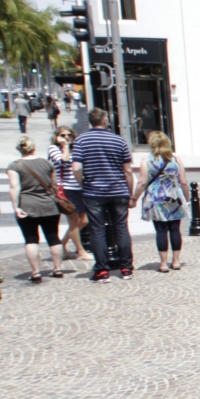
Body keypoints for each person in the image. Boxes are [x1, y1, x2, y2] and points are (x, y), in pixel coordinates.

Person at [72, 108, 135, 283]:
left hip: (94, 191)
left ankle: (102, 270)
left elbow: (76, 167)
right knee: (121, 227)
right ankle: (126, 267)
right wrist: (130, 192)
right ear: (105, 120)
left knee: (97, 230)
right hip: (118, 189)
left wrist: (82, 184)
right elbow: (128, 170)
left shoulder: (81, 140)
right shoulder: (118, 141)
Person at [7, 136, 65, 282]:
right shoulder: (46, 163)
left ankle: (36, 272)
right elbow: (54, 184)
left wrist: (15, 207)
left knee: (31, 239)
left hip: (27, 206)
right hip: (49, 205)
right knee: (53, 237)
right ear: (34, 148)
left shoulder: (15, 166)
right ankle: (57, 269)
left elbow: (15, 187)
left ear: (19, 149)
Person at [138, 131, 190, 273]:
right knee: (175, 229)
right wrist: (187, 198)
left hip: (156, 198)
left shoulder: (147, 160)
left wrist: (135, 197)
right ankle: (176, 261)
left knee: (160, 230)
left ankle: (163, 263)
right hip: (173, 197)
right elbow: (183, 181)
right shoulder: (175, 159)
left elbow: (142, 181)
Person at [49, 126, 87, 258]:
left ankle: (62, 244)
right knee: (74, 220)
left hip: (79, 187)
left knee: (84, 220)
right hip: (65, 188)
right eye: (63, 135)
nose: (66, 138)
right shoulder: (53, 149)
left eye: (69, 135)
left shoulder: (76, 148)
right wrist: (65, 147)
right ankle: (80, 250)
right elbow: (63, 162)